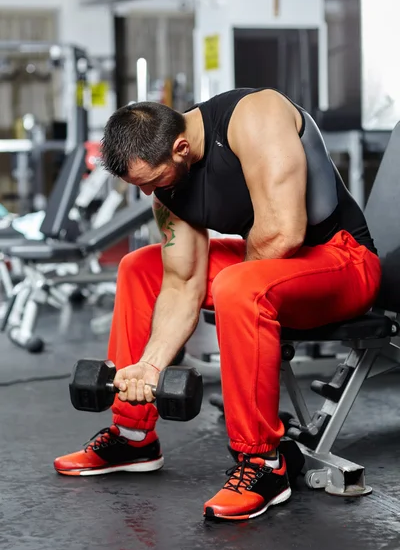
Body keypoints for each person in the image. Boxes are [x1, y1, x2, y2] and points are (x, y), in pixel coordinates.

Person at [54, 88, 381, 521]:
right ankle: (132, 435)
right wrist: (150, 367)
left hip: (344, 262)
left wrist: (237, 292)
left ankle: (264, 463)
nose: (151, 193)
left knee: (238, 285)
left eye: (153, 181)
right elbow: (182, 280)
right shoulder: (169, 186)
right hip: (273, 267)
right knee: (141, 268)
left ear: (181, 147)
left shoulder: (255, 115)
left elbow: (284, 232)